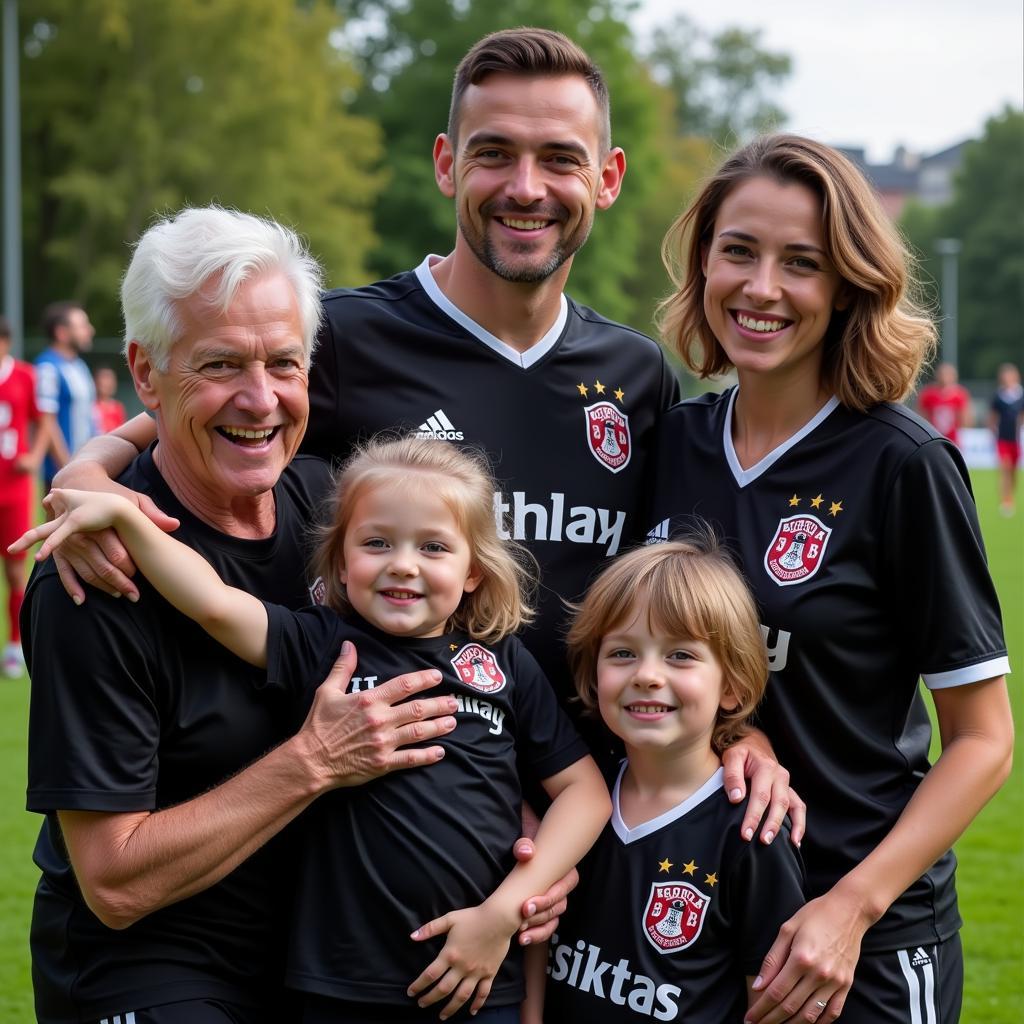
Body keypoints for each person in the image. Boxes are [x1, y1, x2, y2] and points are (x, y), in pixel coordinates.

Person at [49, 28, 795, 843]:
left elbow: (668, 595)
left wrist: (736, 729)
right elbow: (204, 409)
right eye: (494, 153)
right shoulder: (347, 339)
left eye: (559, 159)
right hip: (398, 830)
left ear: (606, 178)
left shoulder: (635, 372)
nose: (526, 187)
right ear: (446, 163)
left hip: (588, 820)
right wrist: (90, 470)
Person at [19, 207, 489, 1024]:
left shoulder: (332, 510)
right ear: (145, 369)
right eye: (220, 365)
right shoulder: (95, 577)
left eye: (283, 362)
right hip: (158, 975)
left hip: (321, 960)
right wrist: (314, 759)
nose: (261, 398)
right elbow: (115, 883)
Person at [19, 436, 612, 1023]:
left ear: (474, 571)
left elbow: (583, 793)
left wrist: (505, 911)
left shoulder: (503, 664)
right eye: (376, 543)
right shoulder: (323, 644)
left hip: (475, 972)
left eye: (433, 547)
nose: (402, 563)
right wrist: (123, 511)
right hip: (338, 986)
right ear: (340, 560)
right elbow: (214, 603)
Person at [650, 135, 1013, 1024]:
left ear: (849, 285)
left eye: (801, 264)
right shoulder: (673, 446)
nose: (761, 287)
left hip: (867, 938)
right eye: (738, 250)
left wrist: (852, 908)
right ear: (704, 263)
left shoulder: (902, 462)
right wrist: (738, 734)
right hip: (699, 900)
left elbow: (983, 740)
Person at [530, 540, 806, 1023]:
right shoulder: (577, 805)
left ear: (734, 683)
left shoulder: (750, 830)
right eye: (622, 653)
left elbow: (772, 1005)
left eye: (680, 655)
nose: (648, 676)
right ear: (593, 675)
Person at [0, 315, 47, 677]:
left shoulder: (25, 376)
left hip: (14, 487)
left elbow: (43, 419)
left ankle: (15, 645)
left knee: (16, 569)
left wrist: (34, 454)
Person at [34, 300, 97, 488]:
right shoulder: (47, 367)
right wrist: (67, 468)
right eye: (82, 326)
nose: (90, 330)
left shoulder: (80, 365)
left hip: (85, 468)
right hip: (63, 474)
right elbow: (47, 421)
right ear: (61, 333)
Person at [988, 362, 1023, 515]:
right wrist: (992, 431)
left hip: (1016, 439)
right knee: (1005, 468)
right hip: (1002, 439)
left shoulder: (1021, 395)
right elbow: (992, 418)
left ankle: (1011, 496)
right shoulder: (998, 396)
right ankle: (1005, 500)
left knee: (1013, 471)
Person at [916, 361, 973, 446]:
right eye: (942, 374)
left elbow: (965, 417)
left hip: (953, 438)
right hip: (933, 436)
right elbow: (921, 415)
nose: (944, 378)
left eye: (948, 375)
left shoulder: (959, 394)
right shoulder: (928, 393)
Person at [93, 365, 127, 434]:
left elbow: (122, 431)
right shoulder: (92, 406)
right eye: (104, 378)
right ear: (96, 382)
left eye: (110, 379)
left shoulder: (118, 407)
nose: (108, 382)